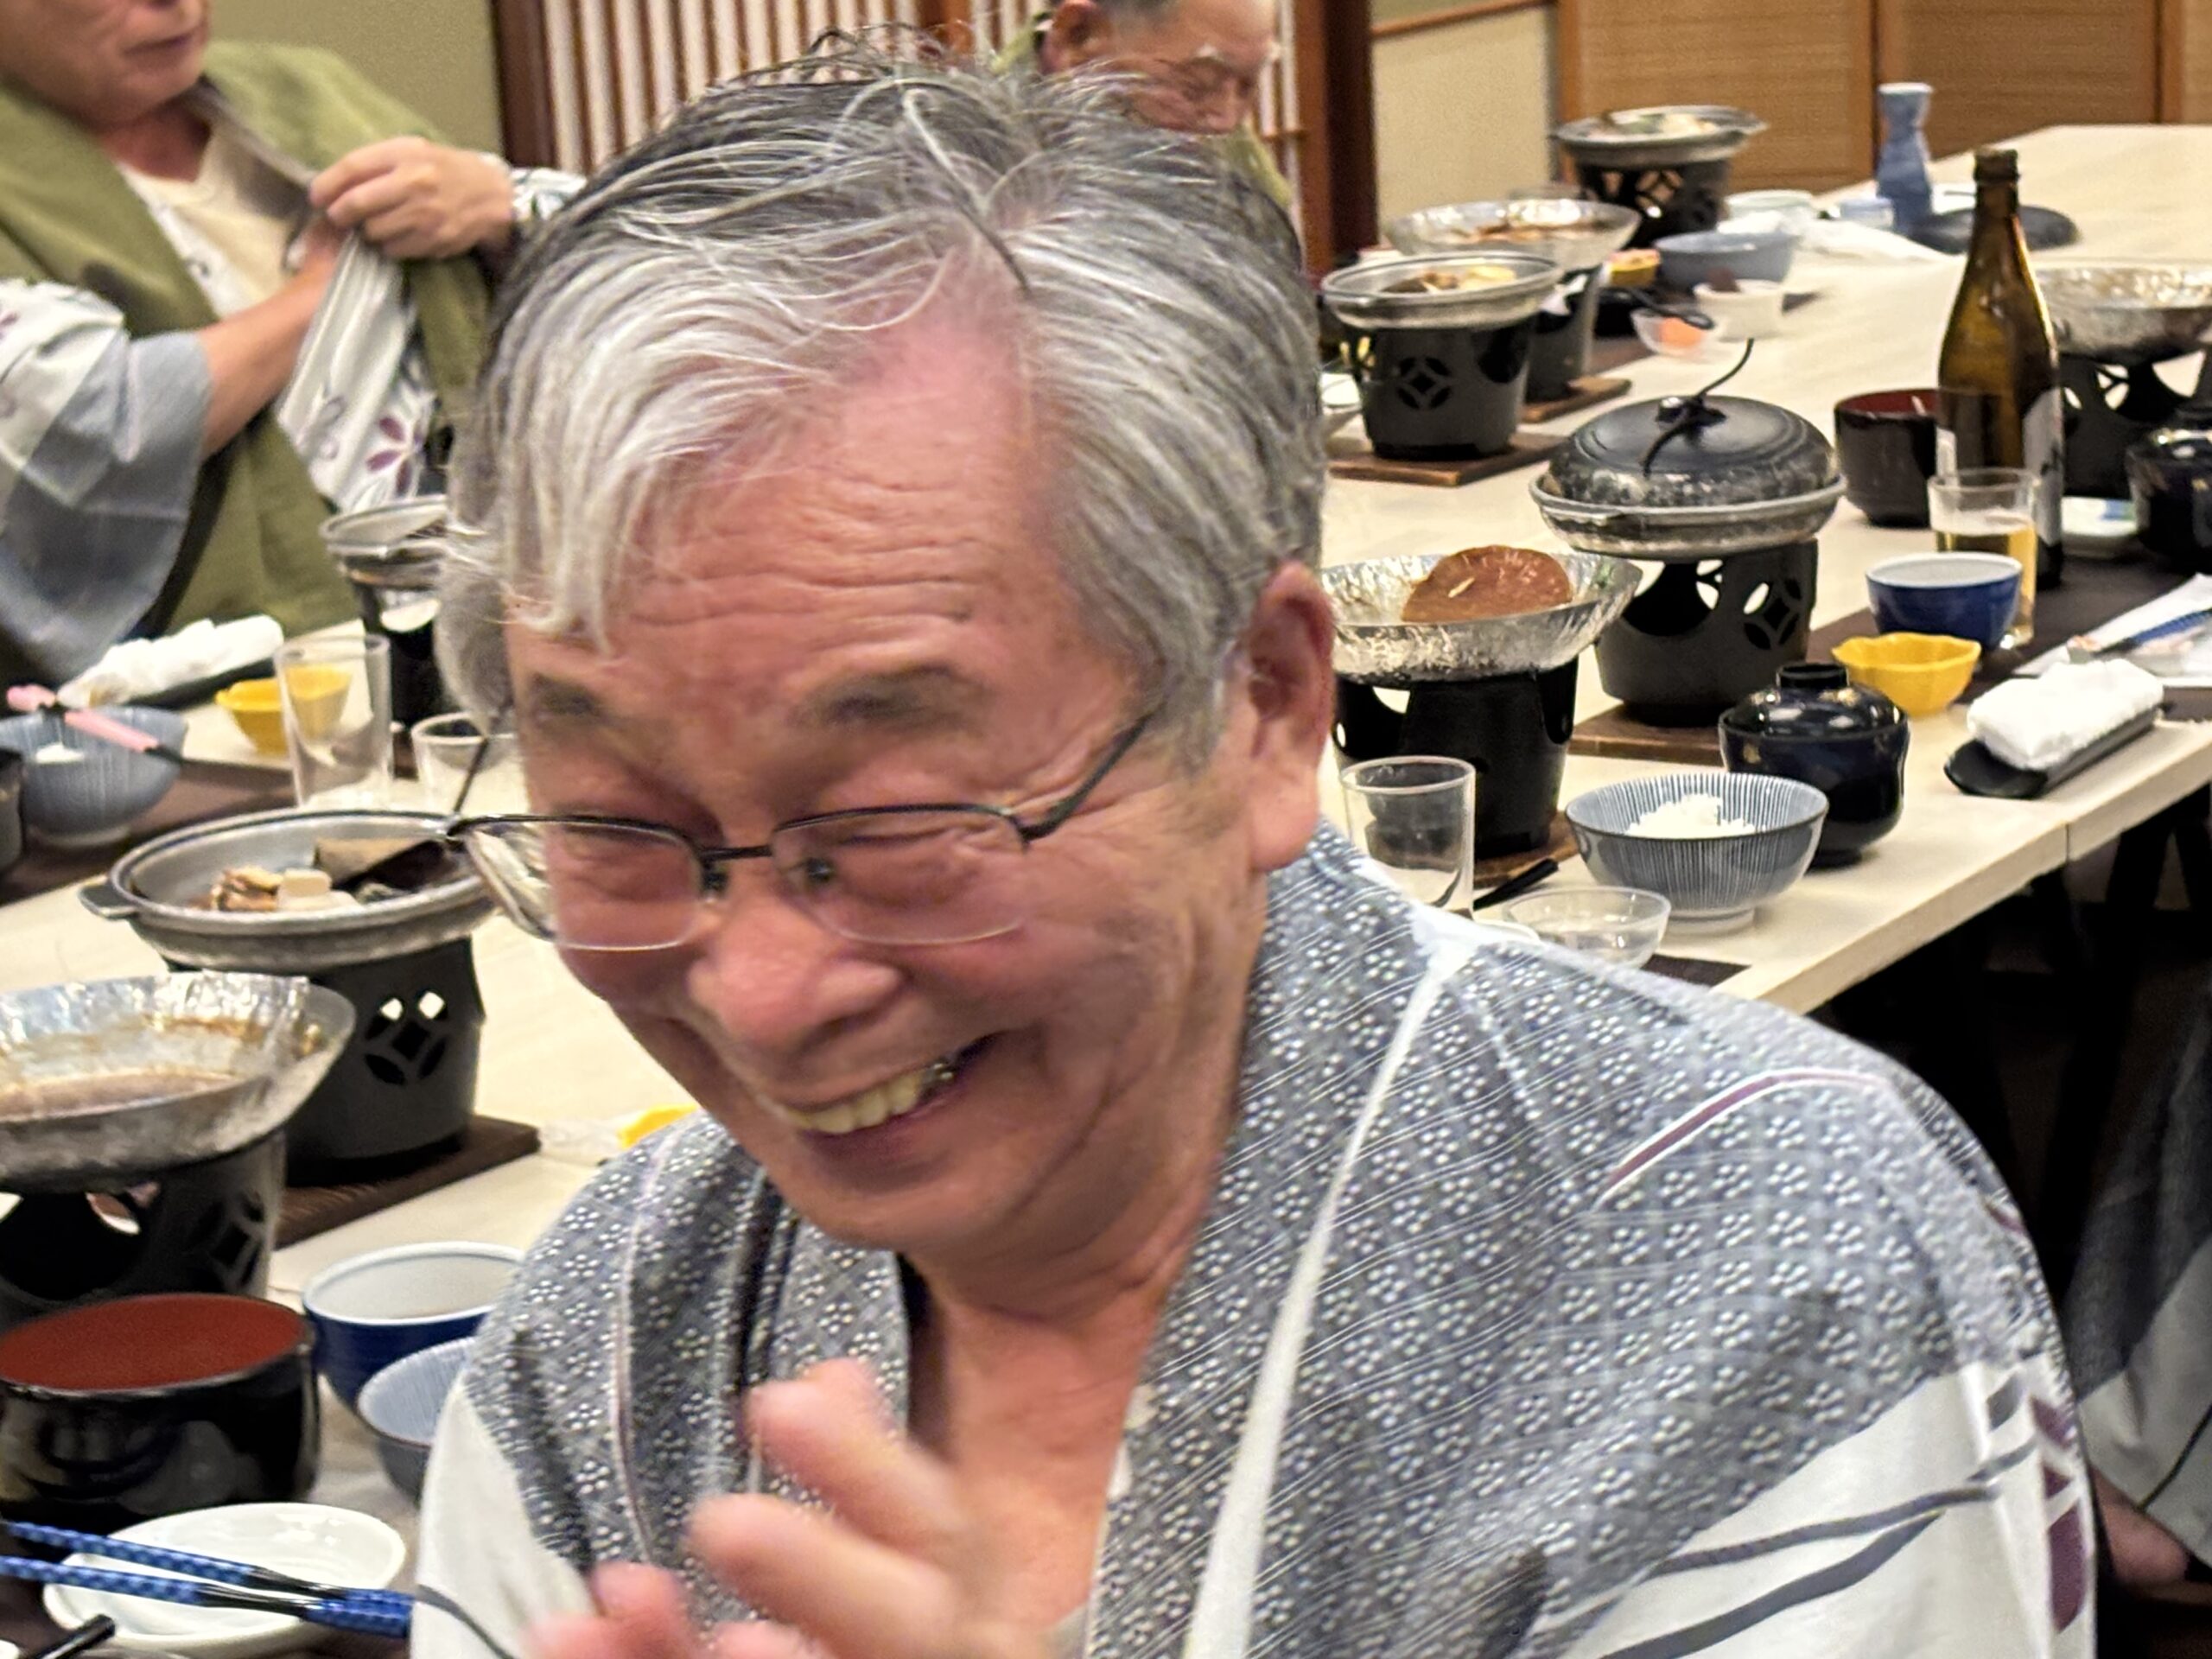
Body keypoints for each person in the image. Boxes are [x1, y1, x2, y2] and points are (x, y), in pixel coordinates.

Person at [413, 46, 2091, 1659]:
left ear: (1270, 705)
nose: (767, 999)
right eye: (615, 825)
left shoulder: (1735, 1263)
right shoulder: (613, 1336)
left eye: (899, 821)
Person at [0, 0, 569, 687]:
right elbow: (81, 422)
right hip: (230, 682)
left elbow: (624, 264)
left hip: (496, 595)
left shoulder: (309, 92)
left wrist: (499, 202)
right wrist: (321, 291)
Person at [999, 0, 1291, 212]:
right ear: (1079, 35)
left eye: (1248, 85)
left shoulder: (1235, 158)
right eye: (1195, 86)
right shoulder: (982, 170)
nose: (1226, 121)